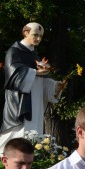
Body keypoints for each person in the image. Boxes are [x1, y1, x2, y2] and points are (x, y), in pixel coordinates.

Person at [1, 23, 62, 151]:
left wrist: (55, 86)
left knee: (34, 135)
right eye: (35, 35)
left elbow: (41, 82)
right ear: (25, 33)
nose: (38, 39)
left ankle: (33, 158)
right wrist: (35, 72)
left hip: (36, 103)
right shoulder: (14, 52)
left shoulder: (35, 56)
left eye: (40, 36)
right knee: (18, 135)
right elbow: (13, 75)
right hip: (20, 102)